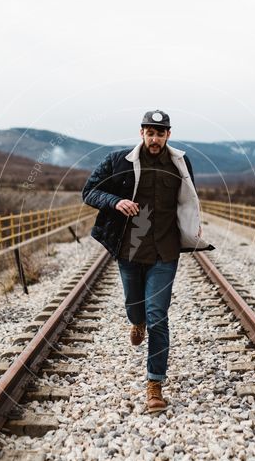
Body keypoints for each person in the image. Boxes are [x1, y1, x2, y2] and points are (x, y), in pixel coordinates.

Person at [81, 110, 214, 414]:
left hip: (164, 250)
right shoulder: (118, 161)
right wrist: (115, 201)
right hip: (129, 248)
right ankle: (135, 321)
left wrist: (193, 224)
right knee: (134, 307)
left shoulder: (180, 161)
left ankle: (155, 385)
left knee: (158, 316)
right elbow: (89, 191)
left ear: (169, 134)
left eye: (161, 133)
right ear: (141, 133)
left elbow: (188, 198)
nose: (155, 139)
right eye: (150, 133)